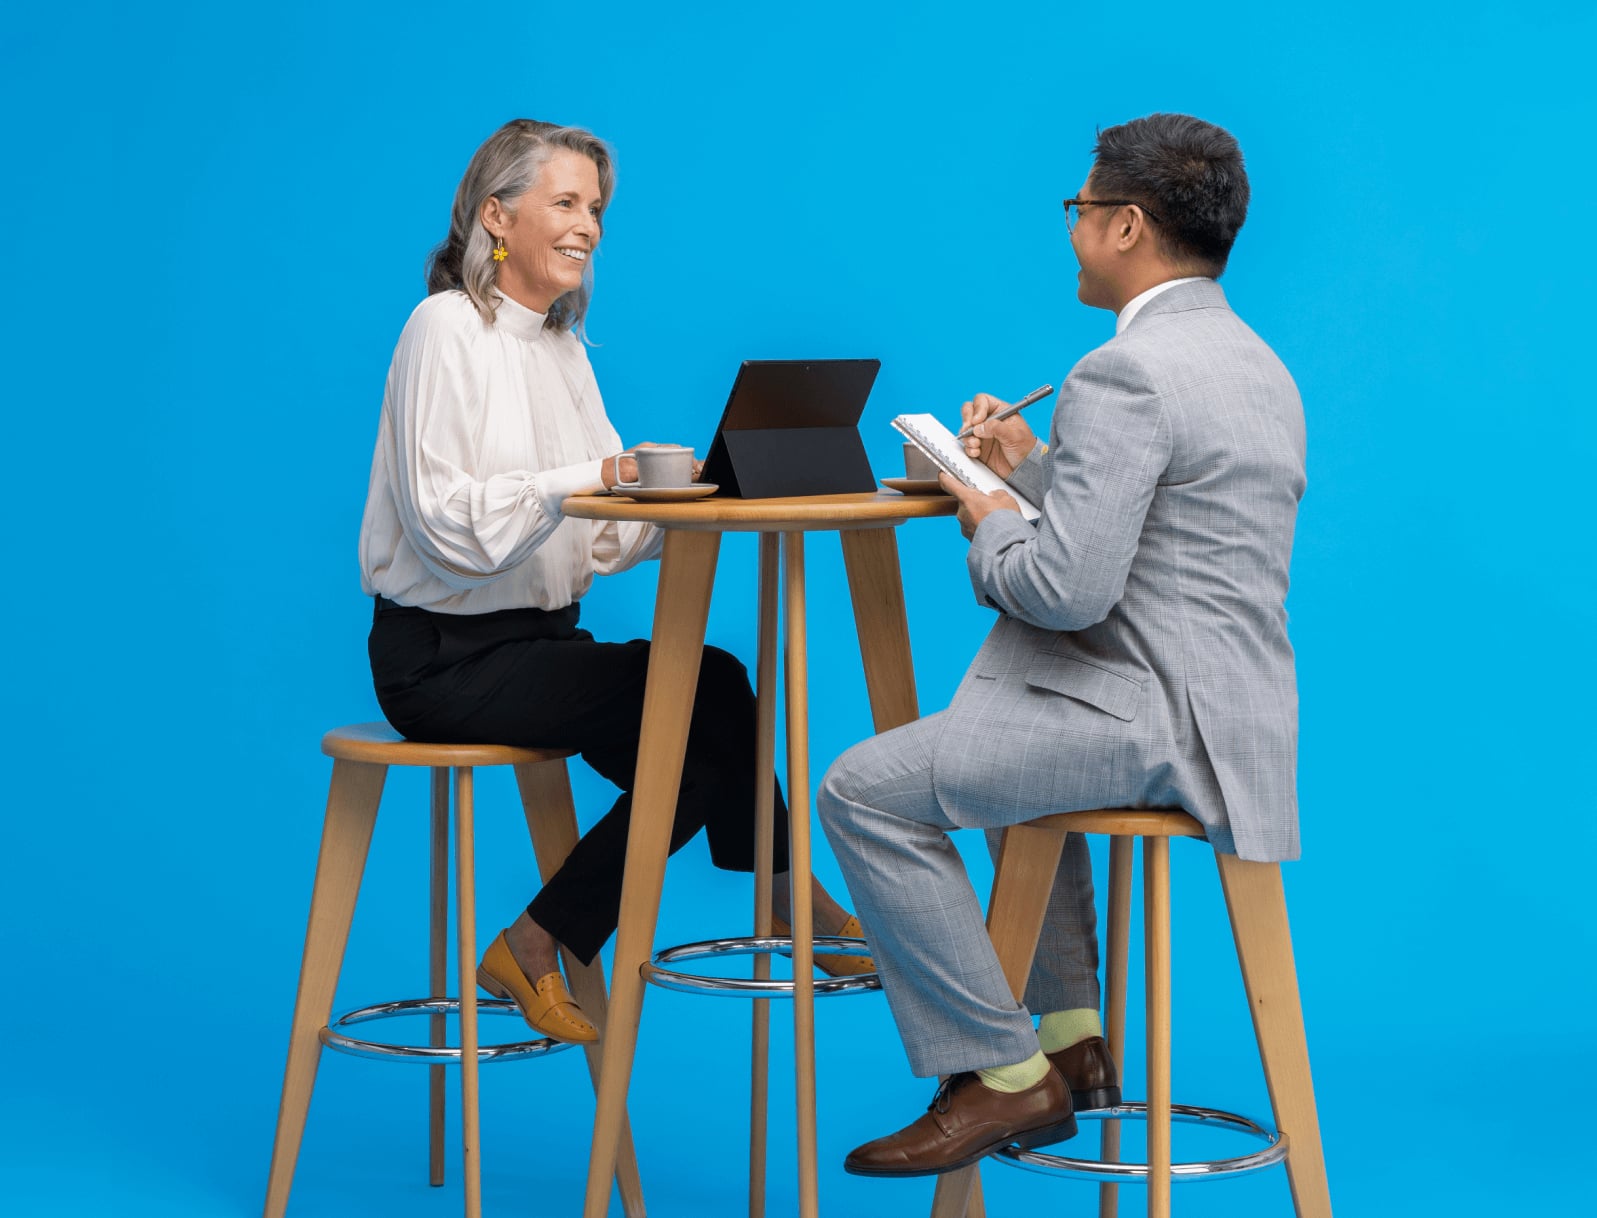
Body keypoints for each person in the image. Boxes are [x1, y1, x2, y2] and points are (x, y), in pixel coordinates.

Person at [818, 112, 1305, 1176]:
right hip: (1234, 717)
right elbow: (1162, 539)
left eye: (1079, 211)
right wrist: (1034, 465)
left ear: (1126, 225)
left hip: (1150, 720)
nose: (1072, 229)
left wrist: (985, 510)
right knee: (1004, 750)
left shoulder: (1122, 372)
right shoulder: (1253, 362)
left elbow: (1063, 592)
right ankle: (1068, 1035)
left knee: (861, 788)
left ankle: (1001, 1071)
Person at [359, 119, 866, 1047]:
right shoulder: (443, 332)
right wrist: (582, 482)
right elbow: (447, 532)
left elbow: (593, 543)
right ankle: (786, 892)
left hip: (545, 645)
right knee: (705, 688)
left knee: (700, 747)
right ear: (495, 217)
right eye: (566, 203)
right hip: (443, 662)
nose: (589, 225)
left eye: (595, 208)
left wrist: (697, 494)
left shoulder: (560, 349)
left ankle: (535, 940)